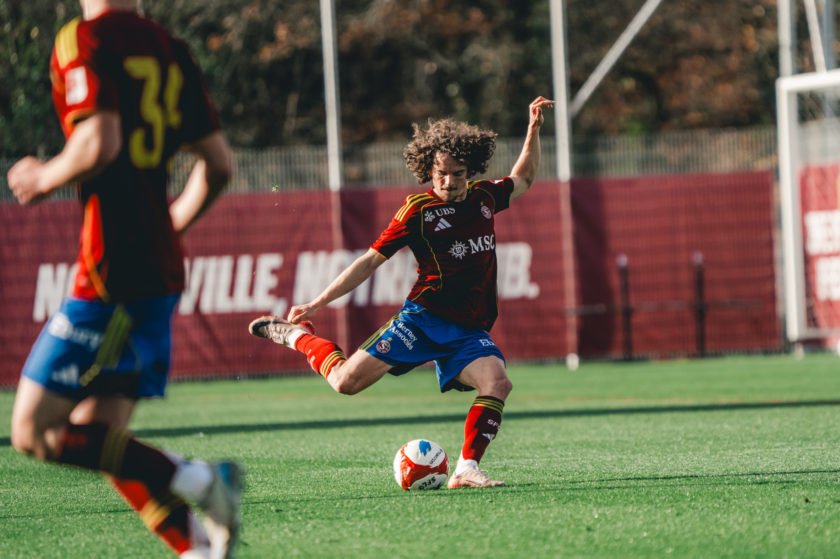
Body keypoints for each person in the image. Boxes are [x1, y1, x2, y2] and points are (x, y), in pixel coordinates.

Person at [7, 1, 240, 557]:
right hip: (156, 268)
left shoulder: (83, 40)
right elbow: (220, 165)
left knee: (34, 432)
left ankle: (204, 482)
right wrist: (172, 223)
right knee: (101, 436)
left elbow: (98, 143)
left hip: (113, 273)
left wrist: (41, 177)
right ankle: (197, 549)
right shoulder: (171, 47)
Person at [250, 96, 554, 488]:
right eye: (441, 173)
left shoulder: (484, 198)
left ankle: (465, 469)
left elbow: (524, 178)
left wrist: (533, 129)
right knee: (345, 383)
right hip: (422, 321)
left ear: (470, 170)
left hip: (468, 330)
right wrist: (317, 302)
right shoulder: (417, 211)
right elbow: (370, 261)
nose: (449, 182)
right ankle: (298, 337)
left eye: (458, 173)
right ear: (429, 170)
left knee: (498, 383)